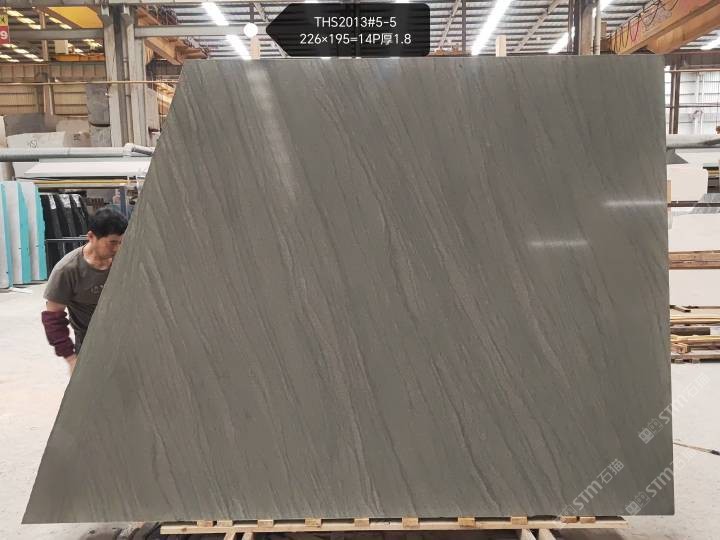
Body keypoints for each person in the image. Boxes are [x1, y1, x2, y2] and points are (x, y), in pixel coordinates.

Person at [41, 207, 128, 373]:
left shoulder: (124, 260)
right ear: (91, 237)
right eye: (112, 242)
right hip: (90, 343)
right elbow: (53, 319)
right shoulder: (67, 270)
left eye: (121, 242)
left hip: (125, 339)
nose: (117, 249)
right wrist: (71, 359)